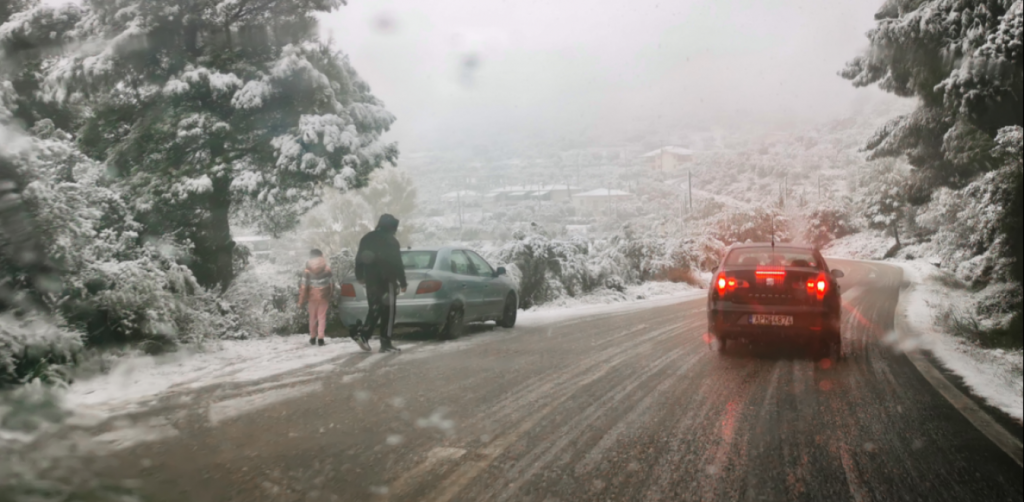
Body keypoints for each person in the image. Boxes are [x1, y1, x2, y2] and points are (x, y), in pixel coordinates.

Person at [354, 214, 408, 353]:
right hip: (388, 280)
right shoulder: (391, 241)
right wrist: (402, 282)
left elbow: (359, 258)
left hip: (371, 280)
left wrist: (359, 275)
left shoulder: (367, 238)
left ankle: (364, 335)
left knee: (375, 308)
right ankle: (386, 342)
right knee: (388, 313)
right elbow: (397, 264)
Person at [298, 249, 333, 347]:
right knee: (322, 317)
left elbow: (304, 286)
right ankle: (321, 338)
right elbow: (331, 284)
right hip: (324, 296)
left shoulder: (307, 270)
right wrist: (330, 295)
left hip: (311, 297)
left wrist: (301, 300)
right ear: (321, 256)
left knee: (312, 317)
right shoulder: (327, 268)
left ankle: (313, 337)